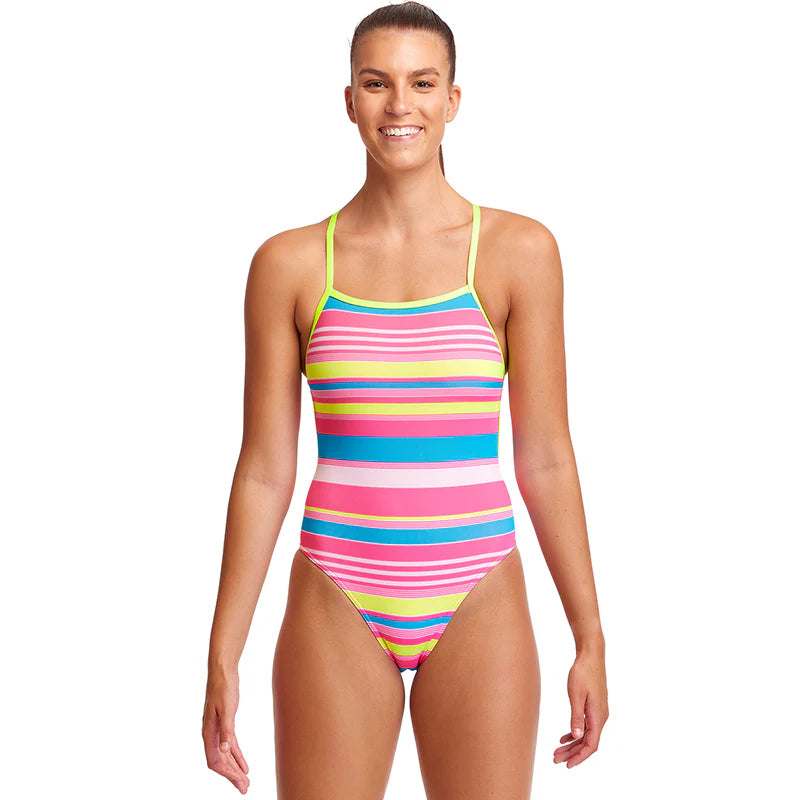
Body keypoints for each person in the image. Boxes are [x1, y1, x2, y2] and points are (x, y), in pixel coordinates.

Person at [202, 3, 608, 796]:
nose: (399, 105)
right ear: (348, 100)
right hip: (337, 590)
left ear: (453, 100)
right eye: (376, 82)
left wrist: (588, 634)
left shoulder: (518, 252)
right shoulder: (289, 265)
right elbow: (263, 470)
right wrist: (224, 651)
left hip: (478, 585)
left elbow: (547, 458)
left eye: (422, 83)